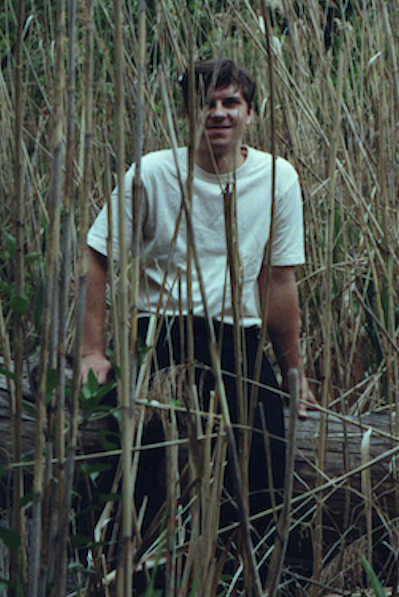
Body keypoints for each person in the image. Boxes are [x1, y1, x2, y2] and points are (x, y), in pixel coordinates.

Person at [76, 57, 317, 573]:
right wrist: (91, 351)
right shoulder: (153, 173)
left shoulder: (278, 179)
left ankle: (243, 568)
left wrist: (293, 370)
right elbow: (96, 255)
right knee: (142, 459)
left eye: (231, 103)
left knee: (268, 450)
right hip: (159, 332)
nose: (219, 114)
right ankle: (131, 571)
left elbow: (278, 283)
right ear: (189, 112)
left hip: (237, 336)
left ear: (250, 113)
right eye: (206, 103)